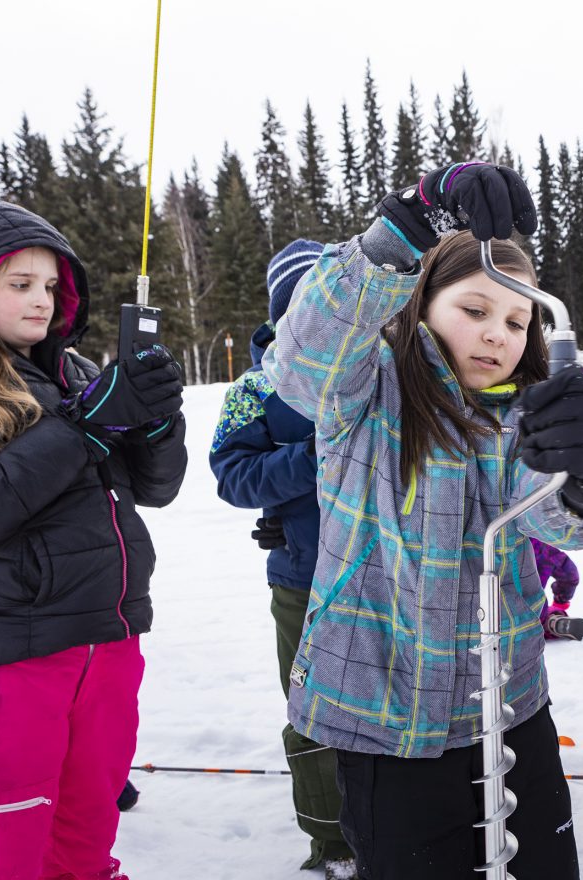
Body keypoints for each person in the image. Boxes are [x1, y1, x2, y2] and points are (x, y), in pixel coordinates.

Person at [262, 162, 583, 880]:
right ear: (423, 301)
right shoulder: (364, 388)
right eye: (476, 309)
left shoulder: (526, 411)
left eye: (517, 320)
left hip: (510, 709)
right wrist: (407, 224)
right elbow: (301, 358)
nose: (497, 334)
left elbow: (567, 519)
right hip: (381, 721)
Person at [0, 197, 188, 880]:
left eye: (53, 286)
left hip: (109, 644)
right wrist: (83, 427)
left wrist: (154, 420)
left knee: (83, 838)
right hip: (6, 657)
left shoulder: (76, 375)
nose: (42, 301)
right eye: (20, 284)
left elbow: (155, 489)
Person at [208, 239, 357, 878]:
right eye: (302, 302)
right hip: (302, 583)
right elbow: (232, 476)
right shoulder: (255, 388)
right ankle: (332, 842)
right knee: (314, 713)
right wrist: (311, 458)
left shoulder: (373, 366)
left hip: (391, 577)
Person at [532, 537, 583, 641]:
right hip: (524, 606)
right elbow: (570, 575)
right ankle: (551, 622)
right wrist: (561, 599)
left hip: (497, 607)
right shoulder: (534, 542)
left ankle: (551, 622)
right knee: (533, 613)